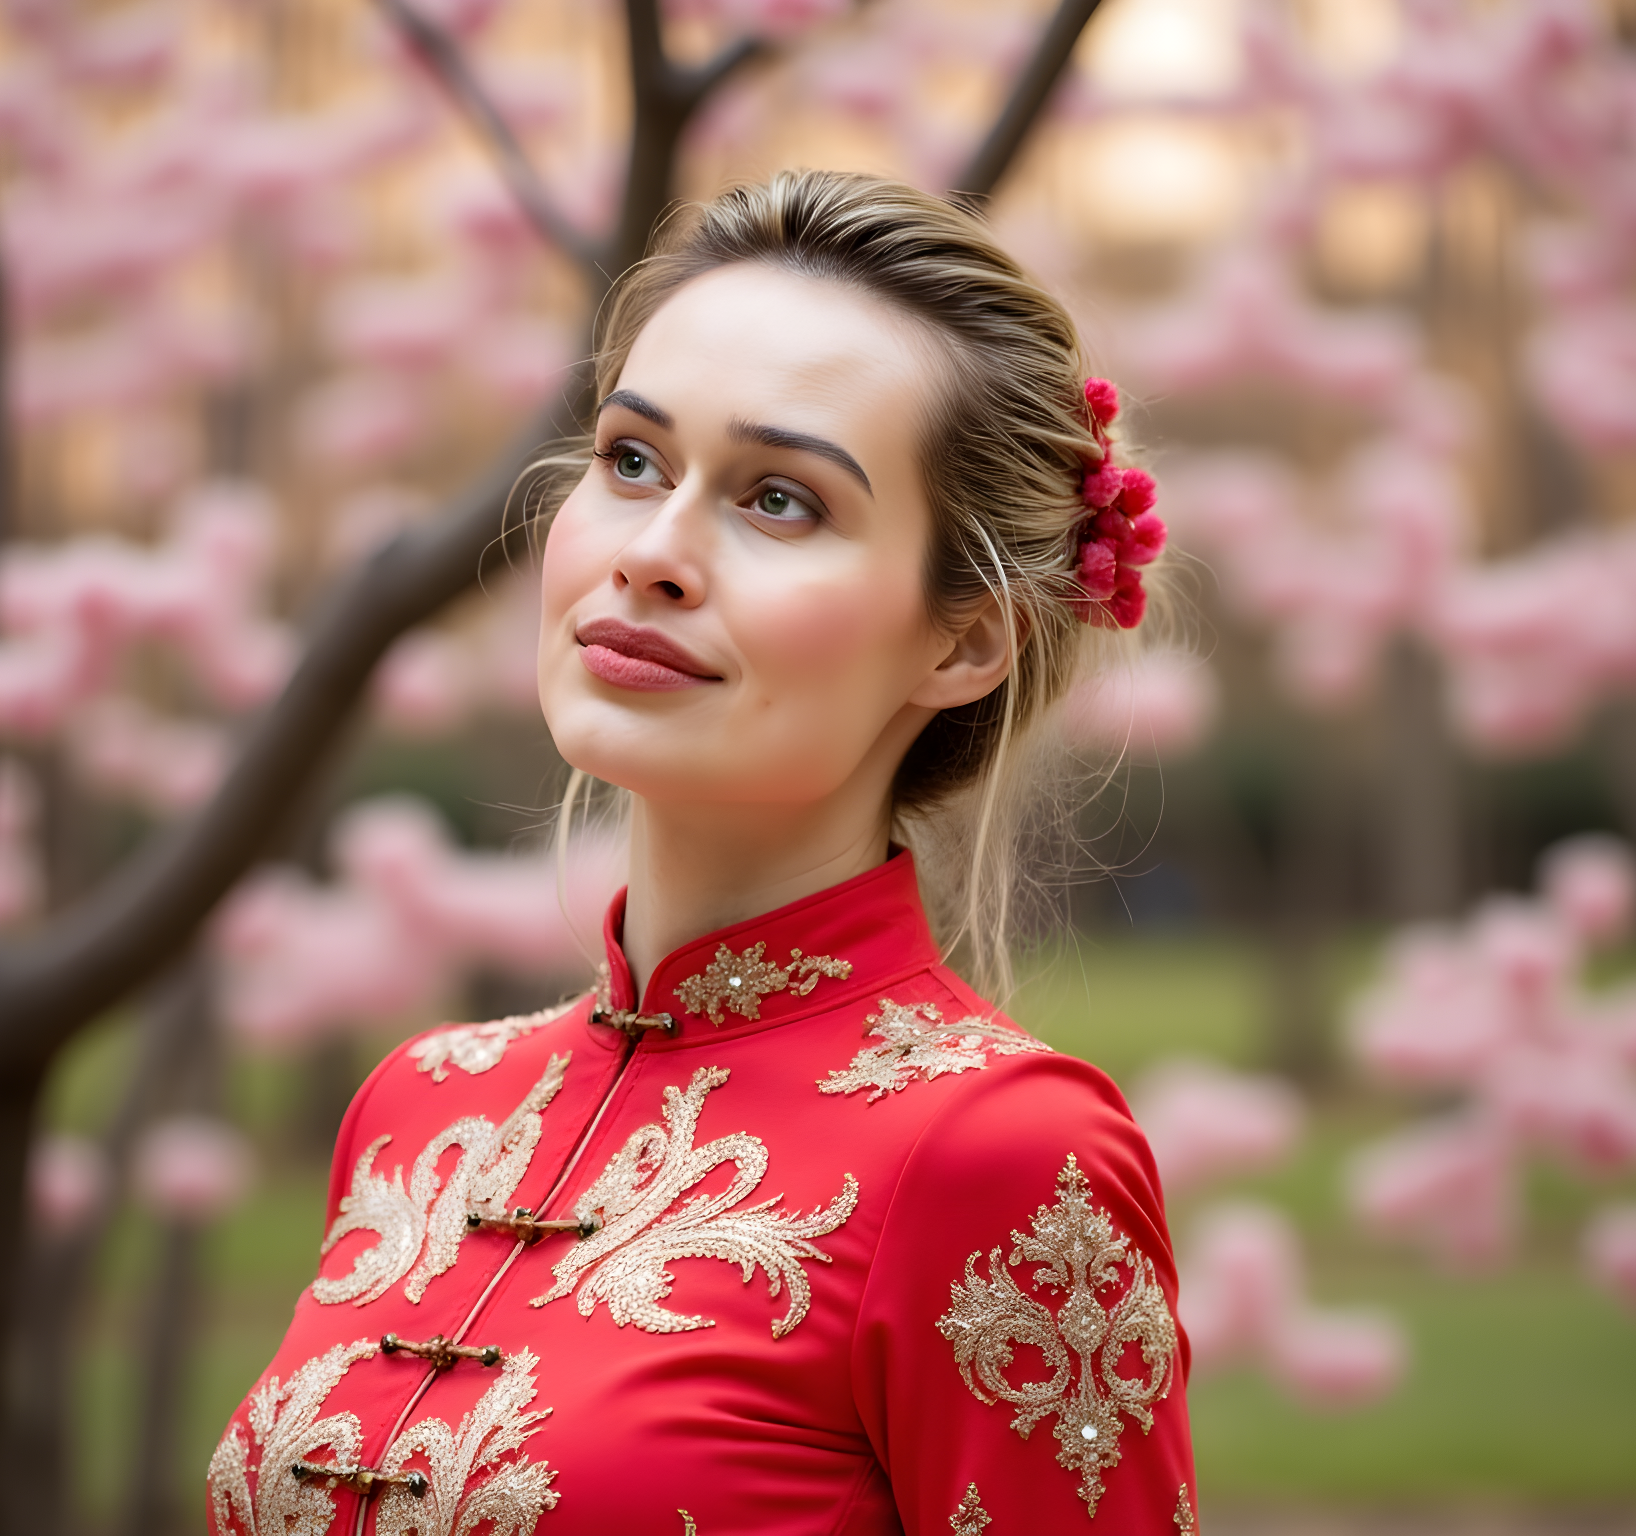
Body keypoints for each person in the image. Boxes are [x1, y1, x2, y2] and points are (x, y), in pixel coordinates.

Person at [206, 169, 1191, 1536]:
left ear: (961, 639)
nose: (654, 552)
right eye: (630, 460)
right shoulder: (422, 1111)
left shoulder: (1002, 1156)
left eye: (779, 500)